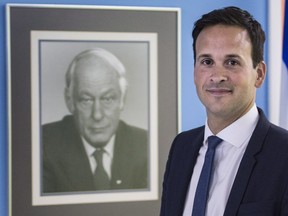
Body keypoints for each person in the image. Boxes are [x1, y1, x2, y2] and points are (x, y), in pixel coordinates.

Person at [160, 6, 288, 216]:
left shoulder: (283, 154)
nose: (217, 76)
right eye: (207, 62)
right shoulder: (181, 148)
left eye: (232, 62)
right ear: (194, 72)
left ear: (259, 74)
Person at [42, 48, 148, 193]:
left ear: (122, 99)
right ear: (69, 100)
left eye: (107, 98)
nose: (97, 115)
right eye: (86, 100)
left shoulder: (146, 145)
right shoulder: (43, 146)